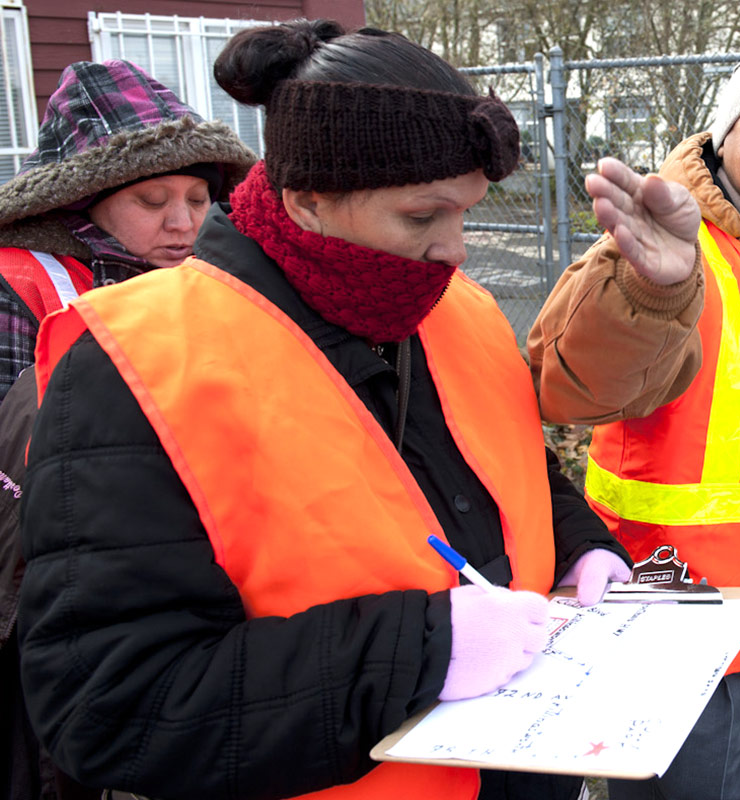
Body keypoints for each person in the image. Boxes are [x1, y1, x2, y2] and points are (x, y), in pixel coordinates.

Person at [17, 20, 630, 800]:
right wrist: (420, 653)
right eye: (423, 216)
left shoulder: (455, 308)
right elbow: (110, 704)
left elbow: (511, 469)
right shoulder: (130, 366)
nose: (457, 250)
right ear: (306, 200)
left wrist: (579, 547)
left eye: (467, 212)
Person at [528, 26, 740, 800]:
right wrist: (650, 295)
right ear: (724, 129)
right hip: (666, 617)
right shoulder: (667, 247)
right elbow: (564, 387)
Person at [0, 59, 256, 800]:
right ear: (84, 199)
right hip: (50, 589)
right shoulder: (24, 283)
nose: (183, 223)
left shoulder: (213, 284)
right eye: (152, 200)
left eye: (199, 197)